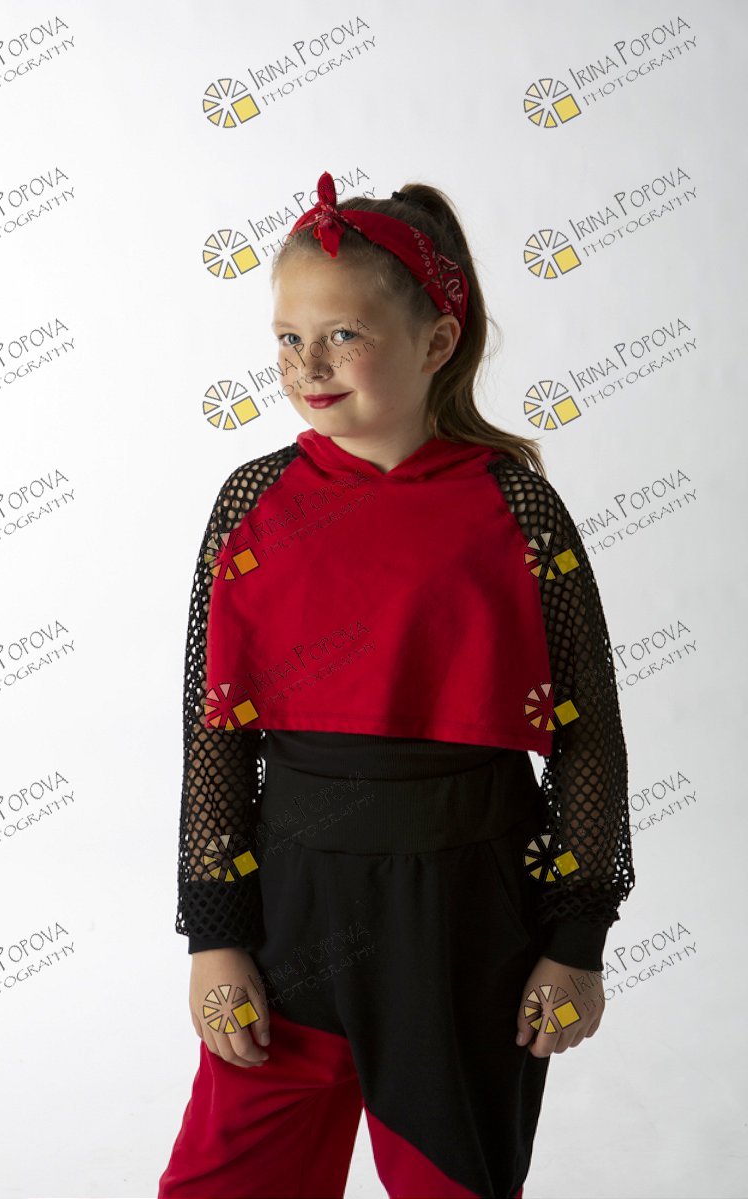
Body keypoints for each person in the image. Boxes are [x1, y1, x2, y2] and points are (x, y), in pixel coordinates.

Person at [157, 169, 636, 1199]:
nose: (308, 365)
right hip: (290, 909)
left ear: (436, 341)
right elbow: (215, 734)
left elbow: (588, 734)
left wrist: (575, 941)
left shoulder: (516, 509)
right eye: (289, 337)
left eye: (343, 335)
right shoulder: (251, 504)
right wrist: (216, 935)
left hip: (465, 920)